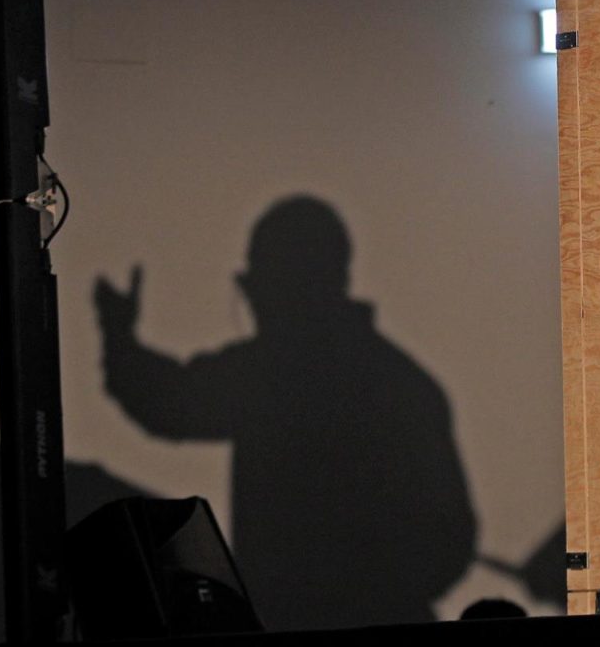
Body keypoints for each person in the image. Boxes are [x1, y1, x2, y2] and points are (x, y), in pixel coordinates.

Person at [94, 196, 478, 627]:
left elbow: (172, 400)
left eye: (260, 286)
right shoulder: (404, 387)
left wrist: (120, 342)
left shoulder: (268, 376)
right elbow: (451, 539)